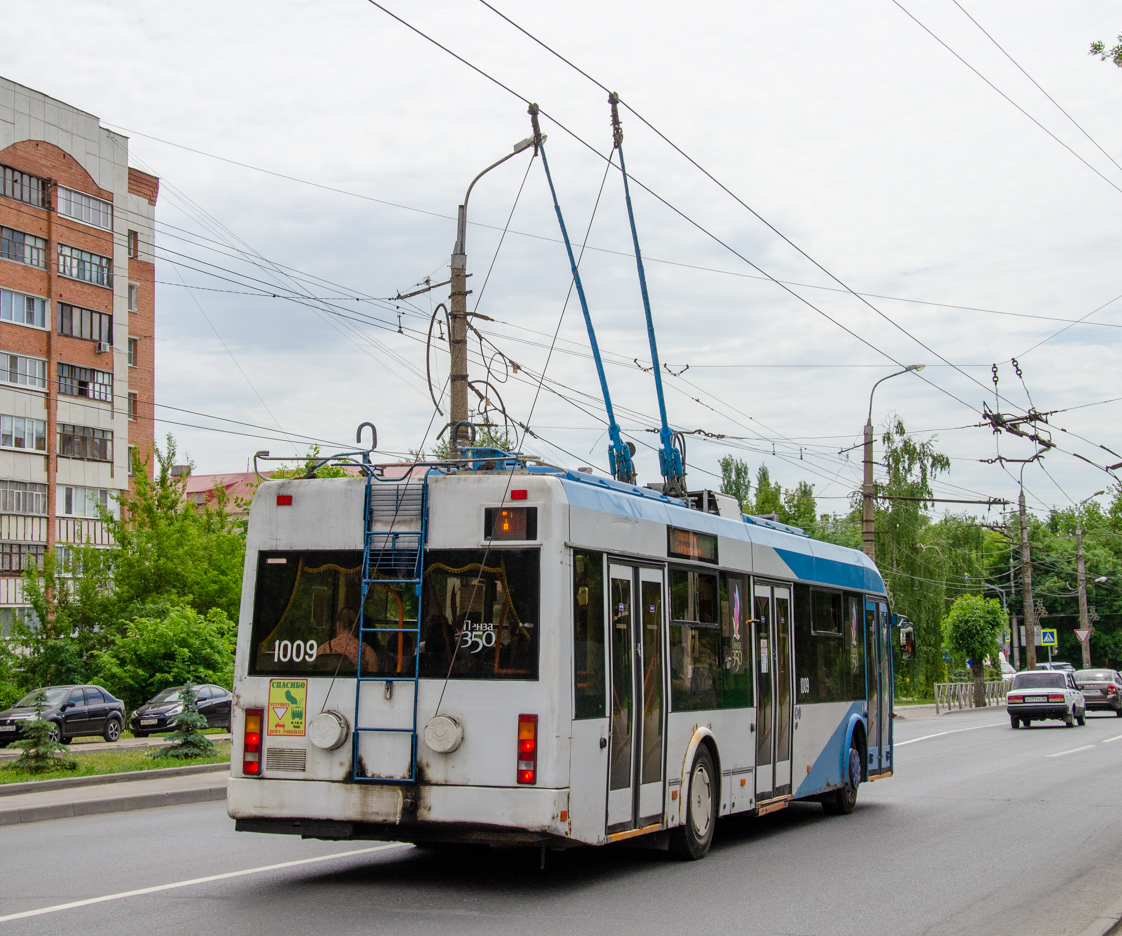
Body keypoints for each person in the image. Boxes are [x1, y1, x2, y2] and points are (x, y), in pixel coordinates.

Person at [317, 607, 376, 672]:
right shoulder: (368, 652)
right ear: (357, 625)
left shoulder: (322, 650)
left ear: (338, 624)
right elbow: (373, 679)